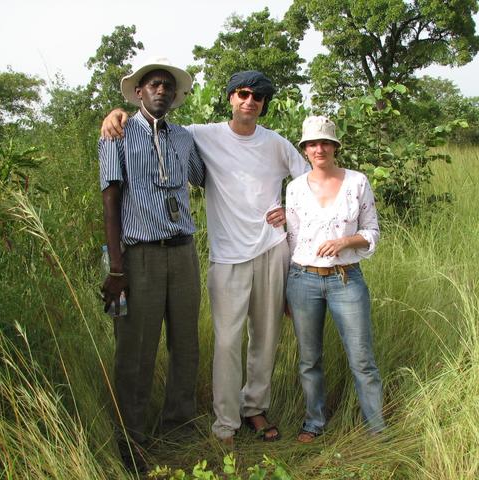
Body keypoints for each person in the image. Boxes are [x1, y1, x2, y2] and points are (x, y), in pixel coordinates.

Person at [102, 71, 309, 444]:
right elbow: (115, 188)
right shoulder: (194, 133)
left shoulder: (263, 142)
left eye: (258, 97)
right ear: (230, 97)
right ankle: (216, 424)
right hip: (209, 255)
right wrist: (115, 112)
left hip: (251, 248)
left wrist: (290, 213)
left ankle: (245, 412)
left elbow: (308, 180)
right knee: (219, 343)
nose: (250, 101)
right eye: (243, 93)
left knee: (251, 339)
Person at [99, 57, 205, 471]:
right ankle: (132, 441)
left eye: (168, 86)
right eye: (153, 85)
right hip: (138, 255)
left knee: (186, 344)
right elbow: (110, 200)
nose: (161, 90)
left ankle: (179, 426)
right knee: (135, 350)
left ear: (175, 96)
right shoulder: (116, 134)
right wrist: (115, 267)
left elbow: (204, 177)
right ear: (139, 92)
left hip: (183, 252)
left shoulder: (183, 138)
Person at [285, 116, 385, 443]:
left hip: (346, 279)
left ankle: (376, 427)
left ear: (335, 146)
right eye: (312, 143)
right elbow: (292, 239)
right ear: (304, 149)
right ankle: (314, 422)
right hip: (303, 280)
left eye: (325, 142)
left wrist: (345, 241)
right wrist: (287, 289)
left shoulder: (357, 182)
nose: (319, 149)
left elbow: (372, 231)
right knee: (309, 359)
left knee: (362, 358)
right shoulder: (295, 187)